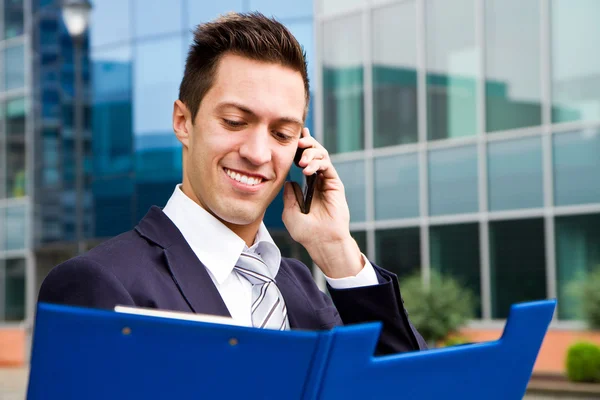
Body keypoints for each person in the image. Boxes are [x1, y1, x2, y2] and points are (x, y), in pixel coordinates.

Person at [38, 12, 427, 355]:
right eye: (235, 122)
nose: (258, 153)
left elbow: (409, 387)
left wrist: (336, 248)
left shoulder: (302, 287)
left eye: (281, 133)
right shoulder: (100, 284)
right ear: (183, 122)